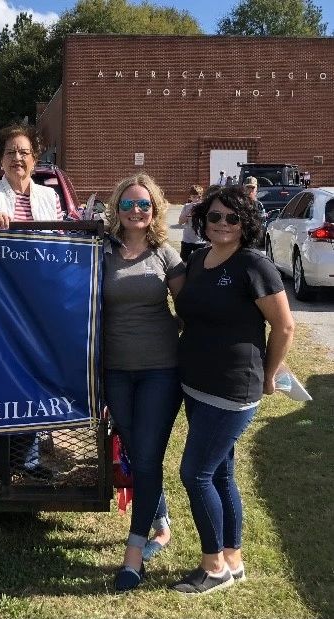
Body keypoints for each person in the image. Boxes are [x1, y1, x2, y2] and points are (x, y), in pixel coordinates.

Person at [173, 186, 294, 594]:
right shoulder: (198, 259)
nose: (222, 224)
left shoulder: (254, 266)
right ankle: (233, 560)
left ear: (246, 224)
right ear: (202, 220)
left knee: (195, 473)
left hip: (233, 389)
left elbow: (284, 327)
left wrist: (269, 373)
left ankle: (214, 568)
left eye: (232, 218)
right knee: (222, 473)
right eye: (215, 216)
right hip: (196, 384)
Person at [102, 173, 185, 592]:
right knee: (135, 449)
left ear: (155, 210)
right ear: (116, 208)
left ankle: (134, 556)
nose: (137, 211)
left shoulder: (166, 255)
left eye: (144, 204)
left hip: (160, 370)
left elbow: (192, 309)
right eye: (129, 204)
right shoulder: (101, 252)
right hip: (115, 369)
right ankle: (161, 518)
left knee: (149, 456)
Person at [0, 123, 63, 482]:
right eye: (10, 153)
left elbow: (59, 242)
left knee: (31, 380)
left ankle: (27, 460)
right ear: (0, 160)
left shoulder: (49, 197)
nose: (17, 159)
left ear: (35, 159)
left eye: (24, 152)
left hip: (37, 303)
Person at [178, 184, 206, 262]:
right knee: (185, 261)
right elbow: (180, 222)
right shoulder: (187, 206)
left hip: (200, 240)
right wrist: (189, 212)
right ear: (190, 197)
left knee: (200, 262)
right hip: (187, 239)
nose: (197, 199)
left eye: (199, 197)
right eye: (194, 197)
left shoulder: (203, 207)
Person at [243, 176, 267, 244]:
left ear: (256, 189)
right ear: (244, 188)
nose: (250, 190)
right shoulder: (239, 202)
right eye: (248, 187)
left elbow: (262, 223)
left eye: (252, 188)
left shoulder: (258, 205)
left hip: (253, 239)